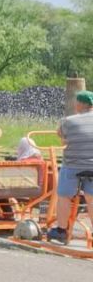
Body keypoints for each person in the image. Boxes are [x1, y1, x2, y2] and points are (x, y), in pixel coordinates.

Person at [47, 90, 93, 244]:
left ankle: (61, 230)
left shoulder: (68, 121)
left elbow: (62, 139)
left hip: (73, 165)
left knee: (64, 195)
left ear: (79, 104)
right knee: (91, 197)